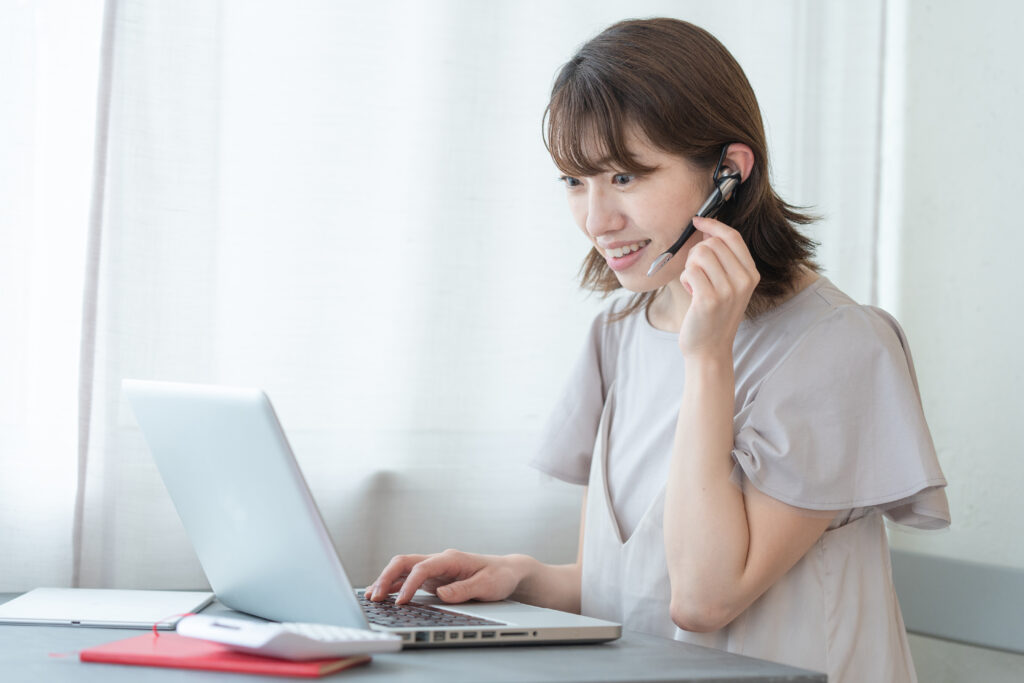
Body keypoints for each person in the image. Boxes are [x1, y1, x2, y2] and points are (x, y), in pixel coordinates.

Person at [367, 18, 948, 683]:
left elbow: (704, 598)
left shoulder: (839, 348)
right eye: (575, 181)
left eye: (623, 177)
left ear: (728, 172)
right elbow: (627, 585)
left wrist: (708, 358)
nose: (596, 220)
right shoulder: (618, 333)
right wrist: (519, 576)